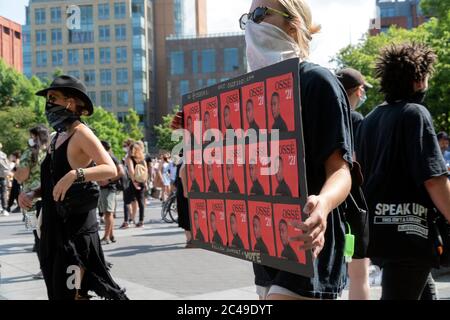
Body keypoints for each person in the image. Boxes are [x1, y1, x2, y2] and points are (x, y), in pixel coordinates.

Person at [241, 0, 353, 300]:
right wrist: (197, 135)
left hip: (309, 243)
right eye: (248, 17)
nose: (251, 23)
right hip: (267, 248)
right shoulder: (250, 95)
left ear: (293, 25)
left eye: (260, 14)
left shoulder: (317, 81)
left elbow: (341, 169)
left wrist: (324, 203)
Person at [19, 75, 127, 300]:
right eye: (48, 98)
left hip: (75, 230)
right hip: (52, 226)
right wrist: (33, 193)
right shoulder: (56, 136)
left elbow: (110, 168)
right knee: (58, 292)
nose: (48, 104)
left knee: (72, 294)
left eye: (53, 98)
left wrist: (76, 174)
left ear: (71, 102)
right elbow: (53, 178)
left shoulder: (81, 133)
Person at [356, 42, 450, 300]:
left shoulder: (371, 119)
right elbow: (434, 178)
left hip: (379, 233)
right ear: (419, 81)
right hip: (410, 232)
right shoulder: (416, 114)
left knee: (424, 291)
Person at [336, 67, 372, 300]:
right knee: (359, 274)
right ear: (359, 90)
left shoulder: (323, 112)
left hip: (326, 200)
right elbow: (359, 161)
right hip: (352, 201)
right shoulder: (356, 119)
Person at [15, 125, 49, 279]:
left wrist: (16, 175)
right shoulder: (50, 150)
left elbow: (21, 176)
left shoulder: (30, 152)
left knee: (37, 236)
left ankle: (44, 268)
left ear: (35, 136)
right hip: (48, 196)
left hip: (31, 200)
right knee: (50, 234)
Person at [98, 141, 124, 245]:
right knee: (108, 213)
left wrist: (108, 181)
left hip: (109, 189)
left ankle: (106, 237)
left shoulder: (110, 157)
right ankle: (111, 235)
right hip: (107, 189)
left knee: (108, 213)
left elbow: (121, 171)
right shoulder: (108, 157)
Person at [336, 68, 372, 135]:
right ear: (358, 91)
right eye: (364, 88)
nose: (364, 91)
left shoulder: (324, 112)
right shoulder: (355, 119)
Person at [124, 142, 147, 228]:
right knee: (140, 201)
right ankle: (141, 221)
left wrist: (134, 182)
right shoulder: (142, 159)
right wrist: (145, 182)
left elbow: (131, 171)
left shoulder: (129, 158)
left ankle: (127, 221)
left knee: (127, 201)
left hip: (133, 182)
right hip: (141, 181)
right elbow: (146, 171)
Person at [176, 157, 193, 248]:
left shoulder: (184, 158)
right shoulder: (189, 156)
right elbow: (183, 172)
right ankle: (190, 240)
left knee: (186, 214)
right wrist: (186, 190)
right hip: (185, 189)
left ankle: (190, 240)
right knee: (187, 214)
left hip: (183, 188)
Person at [0, 142, 11, 215]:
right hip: (3, 176)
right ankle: (4, 209)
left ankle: (3, 208)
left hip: (3, 176)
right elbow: (8, 167)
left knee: (4, 192)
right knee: (4, 192)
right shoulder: (3, 155)